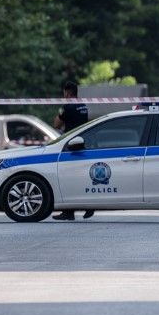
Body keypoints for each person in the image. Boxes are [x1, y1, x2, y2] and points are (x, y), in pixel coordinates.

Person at [53, 80, 93, 221]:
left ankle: (68, 212)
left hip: (70, 146)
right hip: (82, 144)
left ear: (67, 92)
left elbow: (57, 124)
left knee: (66, 178)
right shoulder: (83, 106)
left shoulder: (68, 107)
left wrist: (60, 113)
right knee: (82, 176)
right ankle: (88, 206)